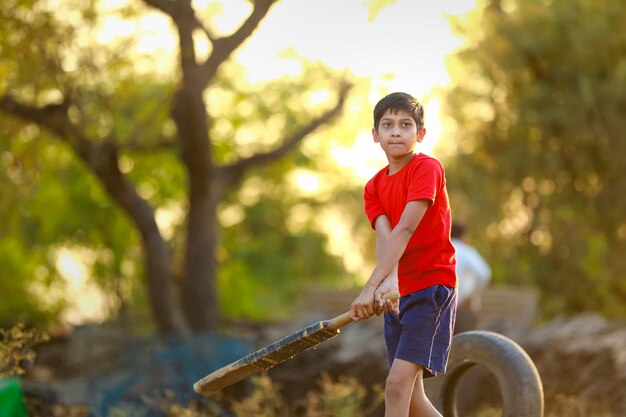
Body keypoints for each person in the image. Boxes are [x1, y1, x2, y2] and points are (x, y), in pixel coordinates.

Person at [350, 92, 457, 417]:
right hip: (400, 294)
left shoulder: (427, 168)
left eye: (405, 124)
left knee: (396, 386)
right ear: (375, 135)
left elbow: (405, 230)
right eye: (387, 125)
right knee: (412, 400)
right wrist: (386, 284)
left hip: (430, 289)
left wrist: (369, 287)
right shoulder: (373, 187)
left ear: (420, 133)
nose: (396, 131)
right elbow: (386, 238)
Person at [450, 223, 491, 334]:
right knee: (465, 347)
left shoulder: (441, 249)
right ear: (463, 236)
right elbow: (484, 274)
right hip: (463, 309)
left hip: (442, 309)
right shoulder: (466, 251)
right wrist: (471, 297)